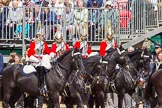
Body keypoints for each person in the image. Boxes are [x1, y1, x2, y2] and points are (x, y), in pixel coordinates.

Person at [27, 31, 51, 95]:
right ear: (37, 36)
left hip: (42, 60)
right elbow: (30, 54)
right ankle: (41, 86)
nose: (42, 37)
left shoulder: (44, 44)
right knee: (40, 69)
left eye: (42, 36)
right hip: (35, 60)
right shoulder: (33, 43)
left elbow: (48, 52)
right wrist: (36, 59)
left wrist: (51, 55)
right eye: (40, 36)